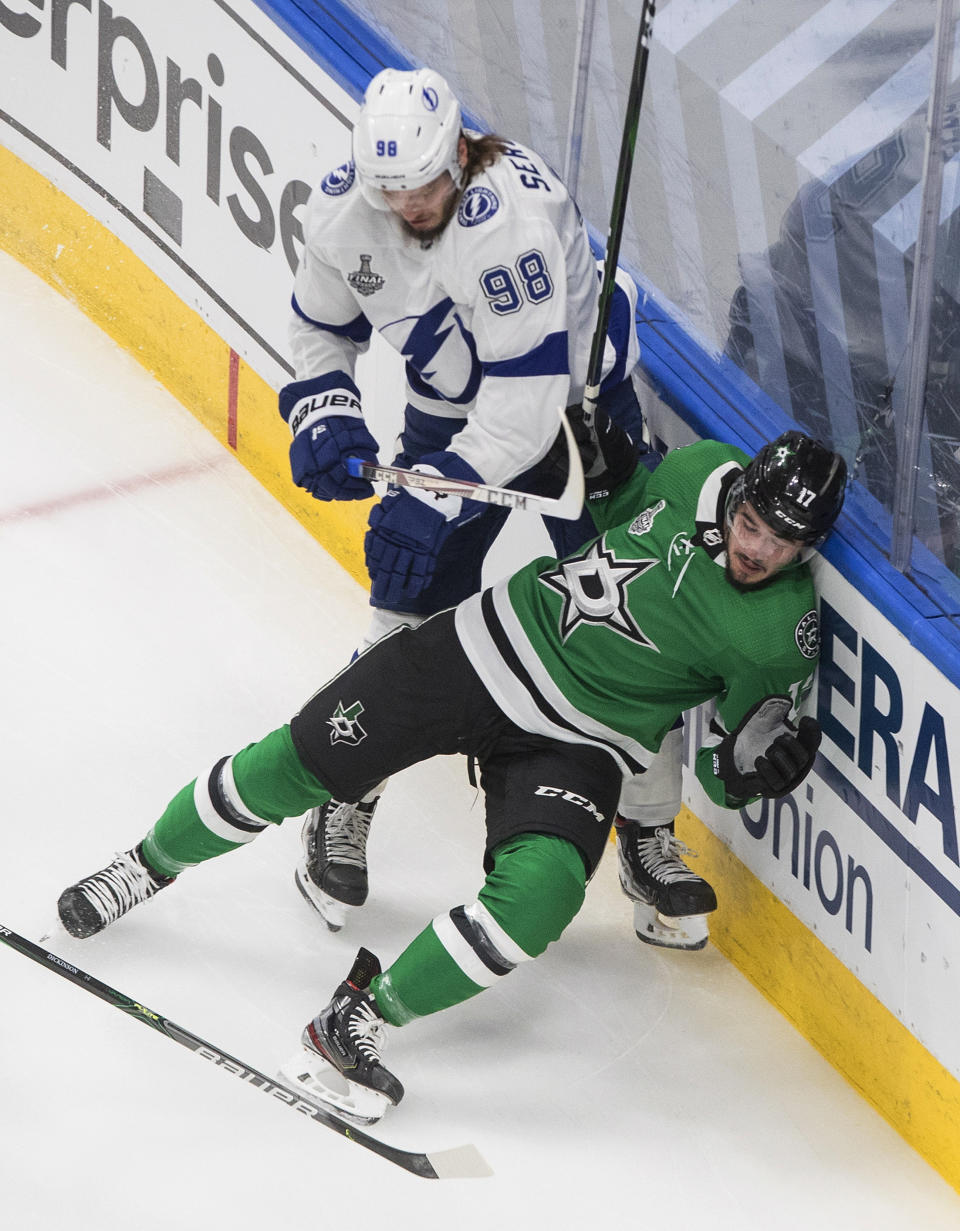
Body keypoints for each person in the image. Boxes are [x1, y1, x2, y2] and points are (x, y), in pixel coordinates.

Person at [57, 429, 846, 1125]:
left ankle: (358, 1018)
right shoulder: (703, 469)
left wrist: (759, 768)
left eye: (782, 543)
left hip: (585, 742)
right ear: (738, 492)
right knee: (298, 761)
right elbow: (618, 504)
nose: (758, 549)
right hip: (485, 645)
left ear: (808, 548)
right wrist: (603, 463)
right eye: (752, 525)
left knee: (541, 897)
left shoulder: (782, 635)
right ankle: (143, 865)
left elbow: (730, 763)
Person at [279, 63, 665, 933]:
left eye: (421, 187)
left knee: (635, 622)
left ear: (457, 150)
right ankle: (343, 794)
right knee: (401, 617)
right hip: (452, 411)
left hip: (573, 418)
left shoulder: (507, 223)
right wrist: (327, 409)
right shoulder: (350, 208)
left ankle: (647, 827)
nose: (410, 208)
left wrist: (434, 495)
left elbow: (524, 410)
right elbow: (316, 326)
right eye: (393, 193)